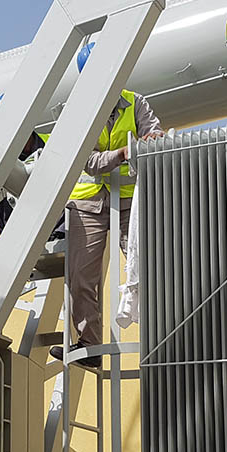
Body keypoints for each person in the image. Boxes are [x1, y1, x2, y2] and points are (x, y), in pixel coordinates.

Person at [53, 41, 163, 368]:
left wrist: (147, 145)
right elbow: (86, 160)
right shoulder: (78, 111)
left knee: (149, 268)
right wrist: (121, 154)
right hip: (86, 206)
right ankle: (90, 346)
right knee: (80, 278)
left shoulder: (135, 102)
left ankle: (165, 337)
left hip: (131, 202)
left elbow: (154, 140)